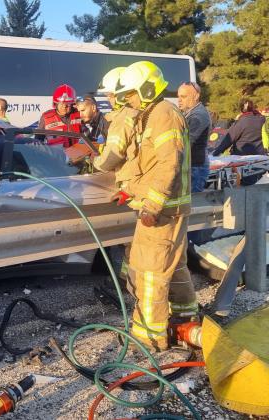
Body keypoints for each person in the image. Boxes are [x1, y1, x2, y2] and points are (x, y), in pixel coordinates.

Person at [112, 61, 197, 352]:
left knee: (150, 273)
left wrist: (151, 204)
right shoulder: (154, 113)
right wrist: (129, 189)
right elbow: (146, 163)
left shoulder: (163, 115)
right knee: (174, 266)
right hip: (165, 208)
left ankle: (149, 336)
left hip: (162, 210)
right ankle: (185, 317)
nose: (127, 99)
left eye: (131, 93)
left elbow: (169, 164)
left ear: (147, 88)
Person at [177, 82, 211, 192]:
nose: (179, 100)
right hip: (193, 166)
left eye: (183, 96)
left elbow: (186, 142)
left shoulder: (198, 116)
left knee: (191, 206)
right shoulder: (191, 113)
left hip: (195, 168)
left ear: (196, 96)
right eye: (178, 96)